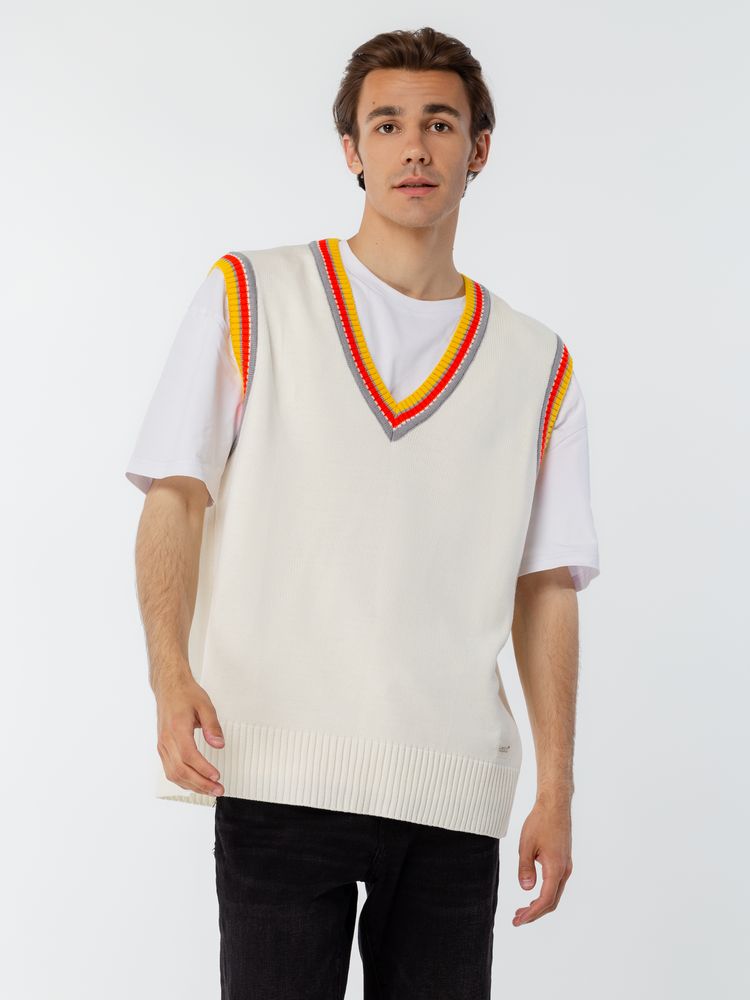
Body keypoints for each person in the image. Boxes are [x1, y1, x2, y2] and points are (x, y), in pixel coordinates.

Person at [126, 26, 599, 1000]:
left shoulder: (537, 363)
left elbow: (547, 584)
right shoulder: (252, 295)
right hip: (276, 770)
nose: (413, 147)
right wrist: (169, 674)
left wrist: (556, 786)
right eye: (386, 124)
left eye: (439, 123)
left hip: (453, 791)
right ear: (352, 148)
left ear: (479, 147)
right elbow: (175, 495)